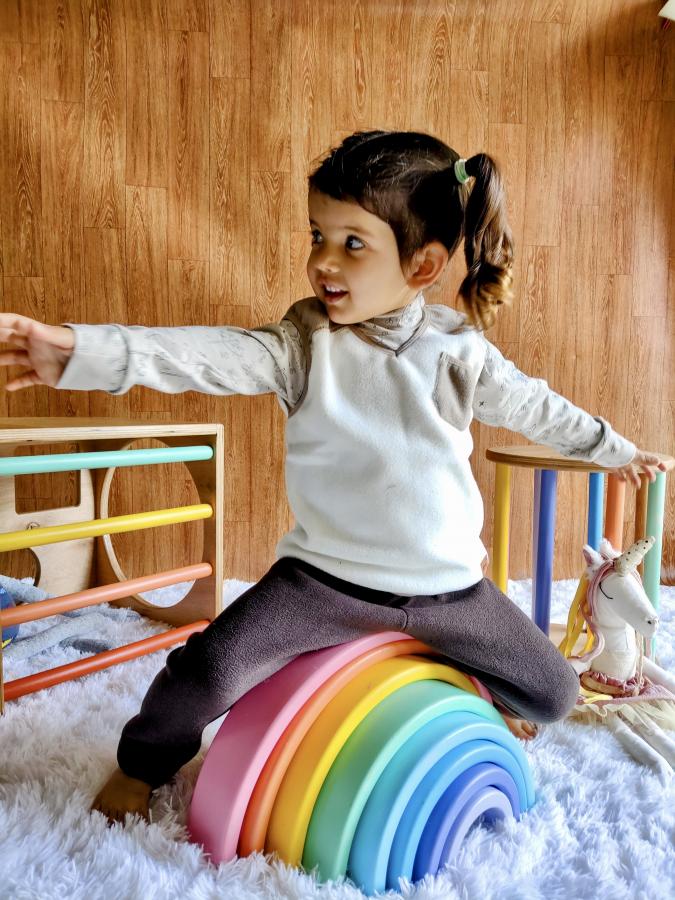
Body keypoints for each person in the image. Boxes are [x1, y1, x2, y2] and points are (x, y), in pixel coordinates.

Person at [0, 130, 665, 828]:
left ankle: (454, 671)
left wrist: (612, 449)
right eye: (318, 235)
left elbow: (537, 407)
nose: (323, 260)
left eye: (352, 243)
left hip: (448, 592)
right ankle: (140, 764)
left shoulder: (457, 352)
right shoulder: (303, 344)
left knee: (554, 693)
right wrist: (78, 352)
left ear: (423, 264)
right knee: (205, 672)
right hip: (321, 585)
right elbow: (201, 354)